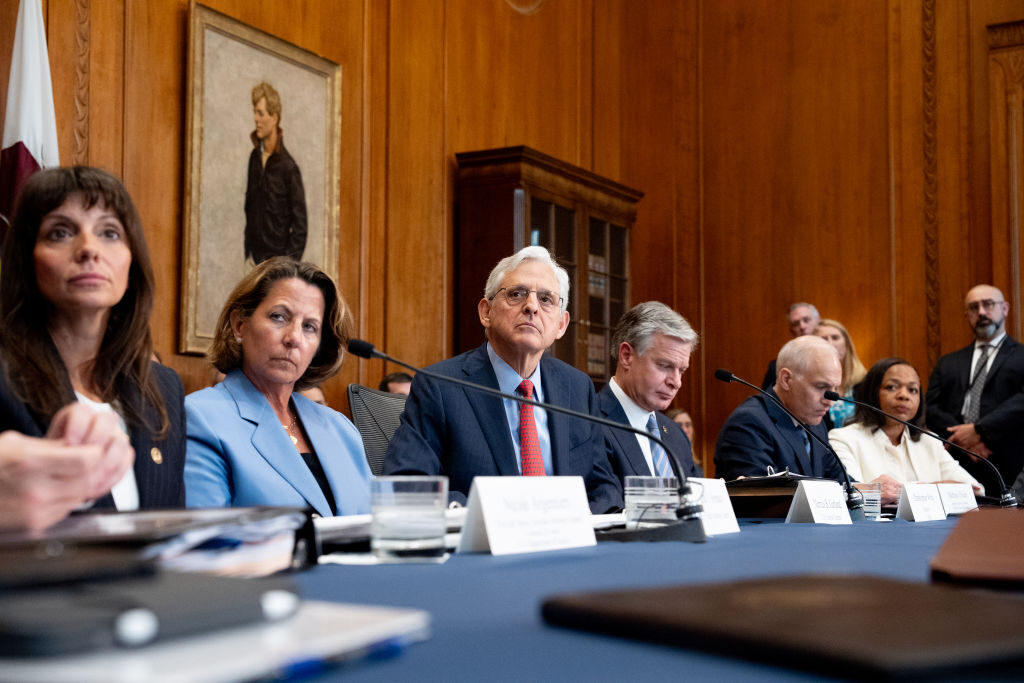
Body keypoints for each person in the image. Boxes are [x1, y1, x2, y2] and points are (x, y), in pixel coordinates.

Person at [0, 166, 186, 519]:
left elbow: (171, 534)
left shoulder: (164, 388)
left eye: (109, 233)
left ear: (131, 265)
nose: (89, 249)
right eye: (60, 232)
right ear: (27, 260)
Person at [383, 246, 622, 513]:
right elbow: (408, 485)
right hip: (485, 545)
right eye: (516, 294)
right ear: (486, 312)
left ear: (561, 325)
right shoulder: (439, 386)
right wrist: (486, 515)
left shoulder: (577, 387)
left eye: (546, 299)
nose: (531, 306)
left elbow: (604, 488)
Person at [184, 257, 371, 515]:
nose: (294, 338)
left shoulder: (342, 430)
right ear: (239, 325)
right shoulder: (200, 418)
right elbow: (206, 541)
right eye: (279, 317)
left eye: (309, 327)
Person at [830, 358, 982, 505]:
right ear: (872, 392)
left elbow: (975, 489)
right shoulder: (844, 438)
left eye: (912, 390)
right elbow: (853, 494)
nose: (904, 395)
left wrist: (912, 491)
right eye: (892, 387)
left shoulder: (929, 441)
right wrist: (938, 489)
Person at [925, 284, 1024, 492]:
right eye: (973, 307)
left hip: (1009, 462)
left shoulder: (1021, 356)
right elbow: (931, 408)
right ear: (967, 315)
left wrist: (979, 431)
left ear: (1004, 308)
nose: (981, 312)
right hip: (957, 462)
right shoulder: (948, 362)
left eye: (988, 305)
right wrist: (965, 440)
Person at [715, 336, 846, 482]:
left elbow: (842, 483)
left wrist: (871, 490)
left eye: (835, 388)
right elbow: (759, 497)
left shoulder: (815, 424)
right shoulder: (749, 423)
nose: (830, 402)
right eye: (821, 387)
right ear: (786, 379)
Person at [598, 302, 703, 483]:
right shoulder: (589, 422)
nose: (676, 382)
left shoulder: (675, 434)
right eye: (664, 366)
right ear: (626, 356)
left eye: (682, 371)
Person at [245, 82, 307, 265]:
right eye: (255, 112)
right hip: (253, 263)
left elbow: (300, 228)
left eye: (261, 113)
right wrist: (247, 254)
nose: (256, 119)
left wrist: (286, 267)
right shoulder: (254, 159)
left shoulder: (289, 168)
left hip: (277, 267)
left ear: (274, 118)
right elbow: (249, 208)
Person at [815, 318, 867, 428]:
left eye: (835, 338)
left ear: (846, 343)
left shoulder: (865, 382)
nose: (830, 343)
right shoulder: (812, 384)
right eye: (824, 339)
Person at [761, 302, 820, 390]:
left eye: (806, 320)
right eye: (796, 323)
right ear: (791, 331)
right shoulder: (779, 366)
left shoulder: (838, 356)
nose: (802, 326)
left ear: (818, 321)